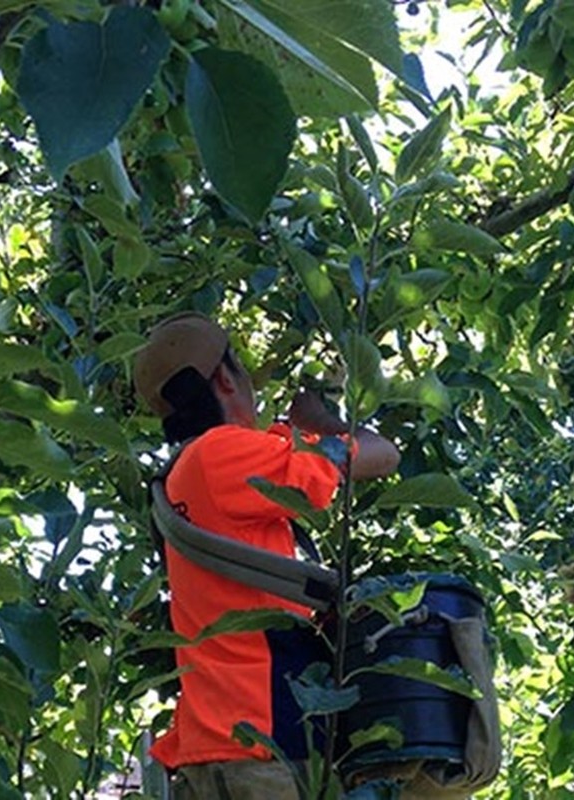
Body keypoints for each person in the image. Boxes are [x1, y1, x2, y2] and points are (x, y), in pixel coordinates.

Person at [133, 312, 400, 799]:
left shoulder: (183, 474)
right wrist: (321, 420)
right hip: (261, 742)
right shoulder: (223, 453)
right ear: (224, 379)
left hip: (213, 745)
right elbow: (382, 454)